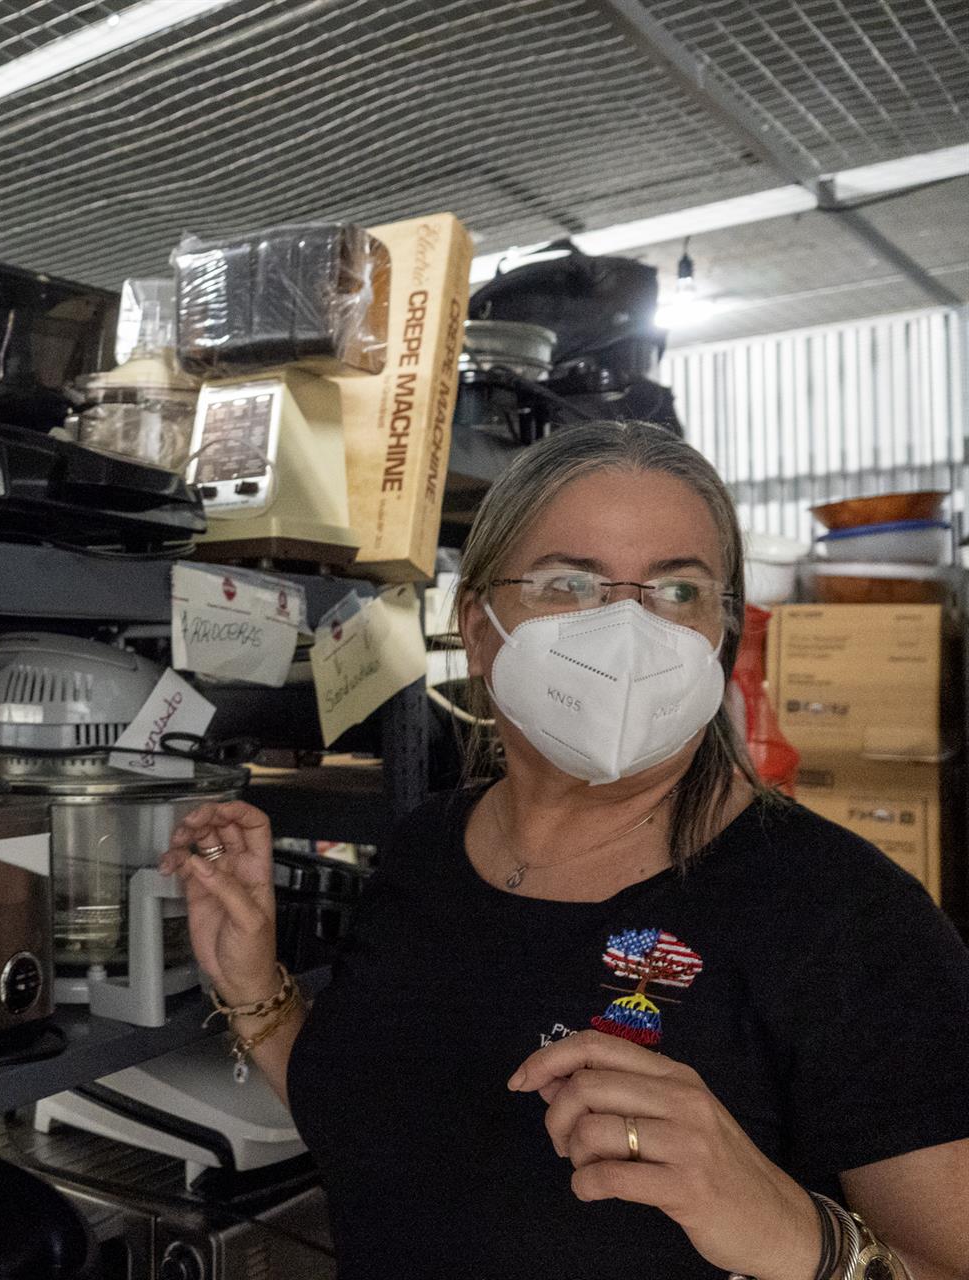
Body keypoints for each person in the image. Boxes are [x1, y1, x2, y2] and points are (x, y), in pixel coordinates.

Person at [161, 423, 969, 1279]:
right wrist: (255, 990)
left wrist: (794, 1234)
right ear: (478, 629)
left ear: (721, 638)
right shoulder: (426, 851)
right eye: (569, 582)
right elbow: (391, 1132)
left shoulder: (849, 922)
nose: (625, 631)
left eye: (677, 592)